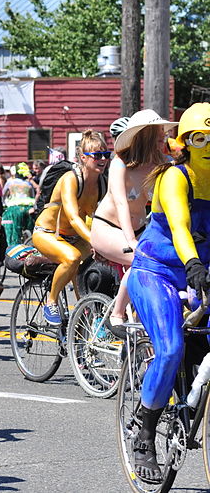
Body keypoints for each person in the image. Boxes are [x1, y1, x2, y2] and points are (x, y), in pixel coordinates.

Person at [125, 103, 210, 483]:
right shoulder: (176, 176)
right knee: (171, 348)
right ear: (186, 143)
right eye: (200, 137)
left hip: (200, 274)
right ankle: (144, 431)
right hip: (156, 270)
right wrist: (192, 264)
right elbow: (179, 226)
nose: (208, 145)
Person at [91, 110, 176, 334]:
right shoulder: (121, 163)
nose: (163, 135)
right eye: (157, 131)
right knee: (142, 259)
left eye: (163, 131)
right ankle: (116, 314)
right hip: (107, 229)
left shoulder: (165, 164)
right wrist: (131, 240)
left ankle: (141, 344)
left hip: (140, 230)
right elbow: (121, 203)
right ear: (144, 134)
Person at [32, 130, 108, 324]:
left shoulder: (102, 182)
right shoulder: (71, 179)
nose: (102, 159)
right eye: (97, 155)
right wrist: (95, 241)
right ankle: (51, 301)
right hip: (47, 233)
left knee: (92, 271)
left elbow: (104, 215)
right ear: (83, 157)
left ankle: (85, 320)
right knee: (72, 258)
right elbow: (74, 218)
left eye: (105, 155)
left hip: (74, 237)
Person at [2, 162, 36, 247]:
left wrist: (4, 204)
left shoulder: (10, 182)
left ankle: (13, 249)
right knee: (30, 229)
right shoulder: (29, 184)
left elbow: (3, 195)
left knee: (13, 231)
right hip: (28, 208)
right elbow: (33, 196)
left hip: (15, 208)